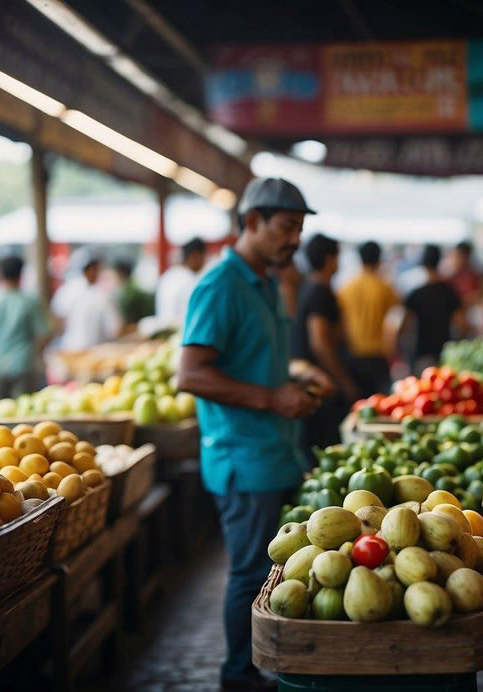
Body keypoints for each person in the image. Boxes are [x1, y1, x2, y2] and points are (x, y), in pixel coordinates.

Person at [178, 177, 330, 692]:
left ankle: (274, 664)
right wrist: (272, 398)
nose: (294, 240)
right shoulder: (220, 286)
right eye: (286, 228)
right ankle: (238, 676)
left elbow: (256, 361)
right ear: (251, 223)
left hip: (277, 451)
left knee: (277, 575)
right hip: (243, 458)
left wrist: (295, 378)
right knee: (247, 574)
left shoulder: (265, 281)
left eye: (299, 230)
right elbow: (190, 374)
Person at [291, 234, 358, 456]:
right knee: (322, 449)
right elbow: (319, 342)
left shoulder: (308, 286)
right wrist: (343, 381)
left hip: (312, 380)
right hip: (320, 384)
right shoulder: (320, 292)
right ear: (330, 259)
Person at [0, 256, 52, 401]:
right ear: (21, 274)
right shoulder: (30, 301)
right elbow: (44, 336)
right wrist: (32, 352)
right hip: (24, 365)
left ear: (0, 273)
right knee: (23, 413)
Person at [338, 241, 398, 396]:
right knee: (380, 403)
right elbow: (396, 319)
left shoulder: (346, 288)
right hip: (378, 355)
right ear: (379, 260)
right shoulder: (385, 288)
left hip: (353, 354)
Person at [395, 245, 465, 373]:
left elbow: (401, 325)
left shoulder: (415, 294)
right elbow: (461, 324)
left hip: (421, 352)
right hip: (444, 352)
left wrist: (398, 351)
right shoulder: (449, 292)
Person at [51, 251, 122, 351]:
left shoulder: (68, 289)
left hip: (69, 347)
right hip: (93, 350)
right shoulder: (100, 295)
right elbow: (114, 329)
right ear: (91, 269)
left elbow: (56, 318)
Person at [156, 238, 206, 330]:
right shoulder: (192, 281)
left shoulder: (167, 276)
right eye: (204, 256)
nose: (204, 262)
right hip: (182, 336)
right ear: (195, 255)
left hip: (162, 334)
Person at [112, 258, 155, 329]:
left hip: (139, 327)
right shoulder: (132, 287)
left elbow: (128, 322)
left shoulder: (128, 294)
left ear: (120, 273)